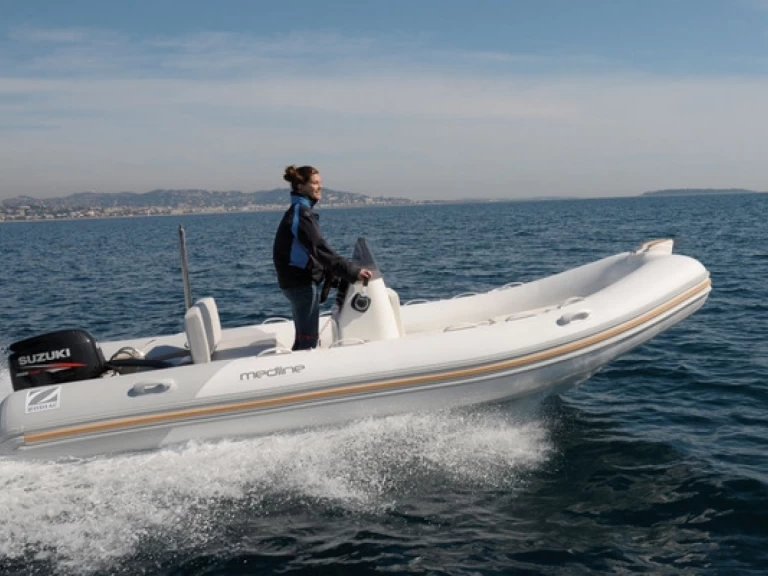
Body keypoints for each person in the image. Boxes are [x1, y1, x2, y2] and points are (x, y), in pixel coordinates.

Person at [273, 165, 372, 350]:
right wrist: (352, 271)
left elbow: (310, 252)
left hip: (296, 282)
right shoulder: (301, 213)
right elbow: (319, 249)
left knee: (305, 336)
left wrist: (333, 275)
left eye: (320, 183)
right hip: (300, 285)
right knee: (308, 340)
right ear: (300, 186)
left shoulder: (300, 210)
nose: (320, 187)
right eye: (315, 183)